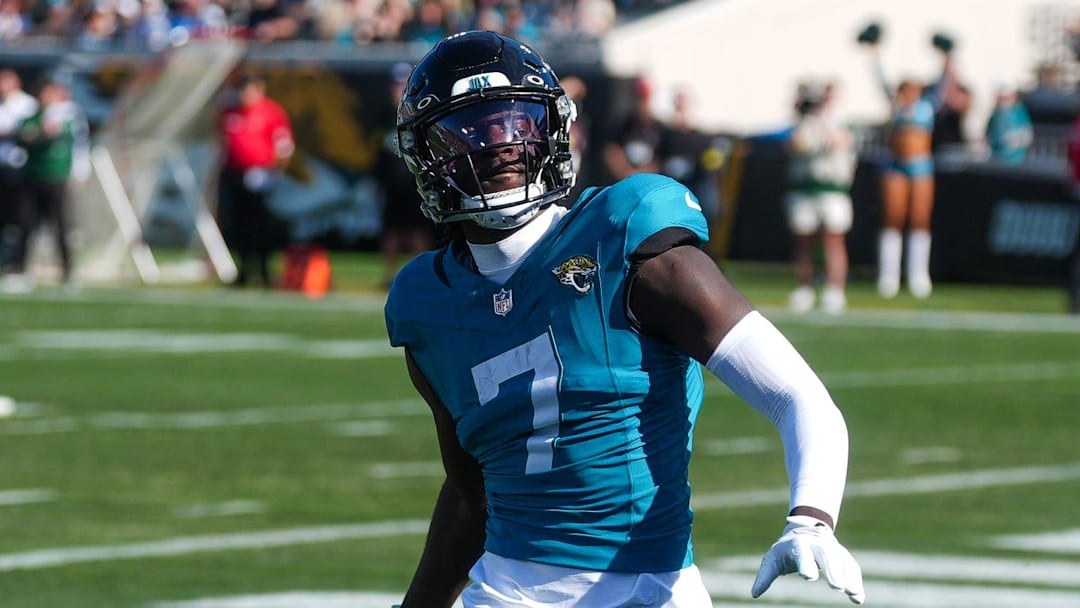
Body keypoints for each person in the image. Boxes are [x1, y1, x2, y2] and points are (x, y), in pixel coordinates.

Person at [385, 31, 865, 608]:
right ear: (425, 153)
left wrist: (812, 519)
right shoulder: (426, 300)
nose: (502, 145)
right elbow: (473, 495)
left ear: (553, 127)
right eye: (472, 128)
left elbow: (797, 396)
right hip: (503, 591)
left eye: (516, 121)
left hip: (648, 590)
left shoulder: (627, 240)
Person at [865, 32, 954, 299]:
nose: (909, 93)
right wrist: (874, 52)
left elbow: (945, 81)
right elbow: (880, 79)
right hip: (896, 166)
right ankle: (889, 275)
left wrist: (947, 55)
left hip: (921, 167)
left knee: (920, 219)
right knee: (893, 217)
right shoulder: (896, 106)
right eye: (905, 89)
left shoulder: (927, 106)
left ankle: (918, 275)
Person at [784, 80, 856, 314]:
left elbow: (838, 141)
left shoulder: (843, 121)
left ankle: (834, 290)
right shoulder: (803, 122)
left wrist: (824, 123)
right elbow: (795, 145)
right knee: (803, 241)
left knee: (833, 240)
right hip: (804, 187)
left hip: (832, 188)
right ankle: (804, 288)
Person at [217, 71, 294, 287]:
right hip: (235, 175)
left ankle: (264, 271)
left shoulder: (271, 112)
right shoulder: (230, 113)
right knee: (238, 225)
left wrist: (275, 173)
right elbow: (222, 144)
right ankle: (243, 270)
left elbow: (284, 146)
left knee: (260, 226)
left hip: (262, 176)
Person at [376, 62, 434, 287]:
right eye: (396, 85)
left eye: (403, 85)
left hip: (415, 182)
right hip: (392, 183)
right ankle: (390, 275)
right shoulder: (384, 117)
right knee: (392, 229)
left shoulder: (420, 115)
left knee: (418, 228)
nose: (398, 90)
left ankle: (421, 275)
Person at [0, 69, 38, 273]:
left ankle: (18, 263)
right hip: (2, 168)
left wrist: (12, 134)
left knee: (20, 218)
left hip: (19, 169)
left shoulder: (27, 105)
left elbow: (30, 133)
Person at [603, 77, 664, 180]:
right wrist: (626, 171)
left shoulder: (660, 128)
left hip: (649, 181)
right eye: (639, 98)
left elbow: (662, 158)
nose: (642, 103)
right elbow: (611, 150)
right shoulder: (622, 125)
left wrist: (644, 173)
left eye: (646, 99)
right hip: (624, 179)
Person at [985, 81, 1033, 165]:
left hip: (1017, 160)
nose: (1003, 101)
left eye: (1006, 98)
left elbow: (1026, 135)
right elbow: (990, 134)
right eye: (1001, 98)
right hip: (997, 159)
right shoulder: (995, 114)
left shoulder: (1019, 112)